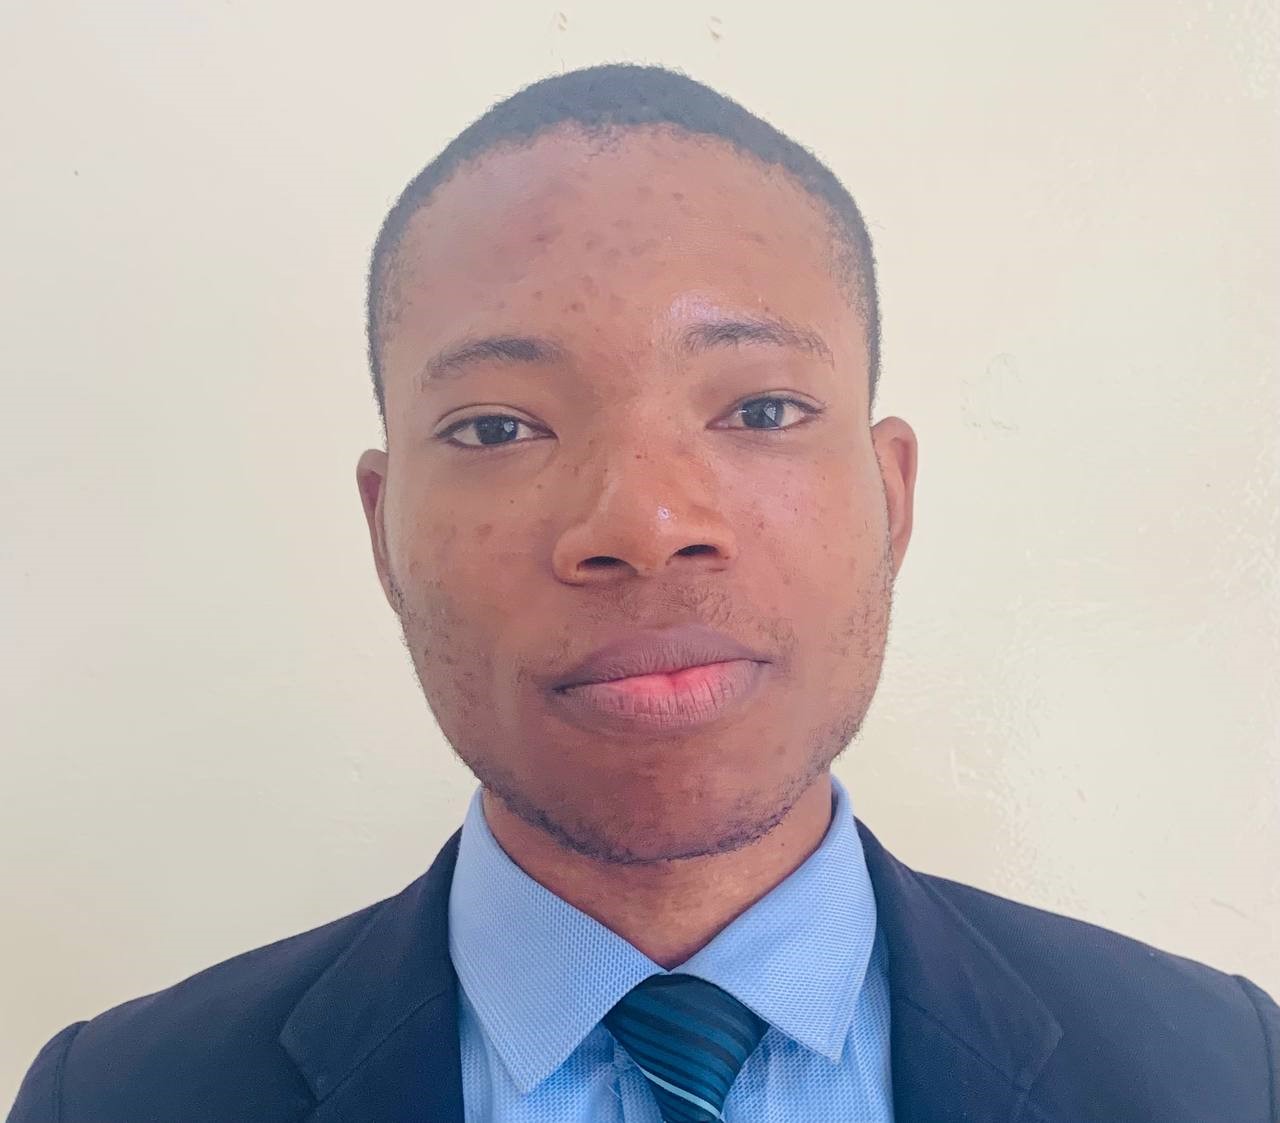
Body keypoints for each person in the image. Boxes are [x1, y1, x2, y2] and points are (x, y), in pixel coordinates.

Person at [8, 63, 1277, 1123]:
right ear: (382, 530)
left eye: (760, 409)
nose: (645, 525)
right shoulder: (114, 1098)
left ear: (890, 496)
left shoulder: (1226, 1072)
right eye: (498, 426)